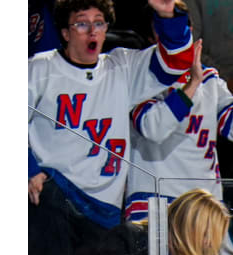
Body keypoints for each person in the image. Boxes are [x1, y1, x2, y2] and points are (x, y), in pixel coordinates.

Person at [28, 0, 196, 232]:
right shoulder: (39, 68)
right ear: (65, 33)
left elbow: (176, 63)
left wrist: (168, 16)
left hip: (105, 209)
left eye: (99, 23)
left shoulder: (122, 66)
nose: (92, 31)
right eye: (82, 24)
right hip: (54, 194)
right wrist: (30, 170)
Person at [124, 35, 233, 224]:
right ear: (155, 36)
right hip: (155, 201)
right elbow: (154, 129)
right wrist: (191, 86)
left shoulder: (209, 80)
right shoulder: (141, 76)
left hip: (205, 202)